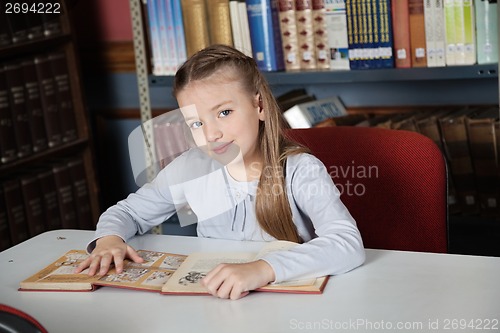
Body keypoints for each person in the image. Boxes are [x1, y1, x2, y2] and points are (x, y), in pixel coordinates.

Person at [76, 44, 365, 300]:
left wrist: (263, 269)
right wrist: (109, 239)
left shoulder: (300, 170)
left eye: (224, 112)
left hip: (287, 303)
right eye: (196, 123)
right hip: (217, 303)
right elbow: (128, 212)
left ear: (259, 105)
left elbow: (347, 243)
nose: (211, 134)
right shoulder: (191, 168)